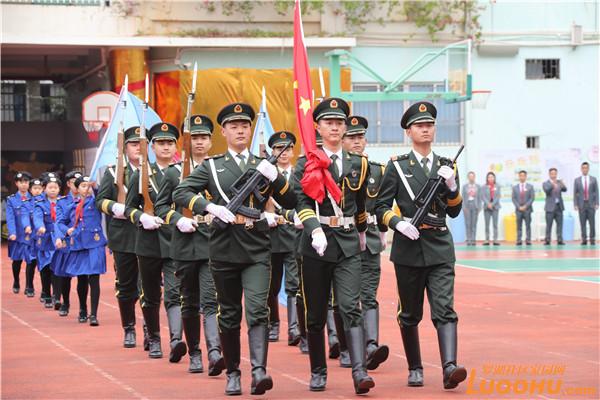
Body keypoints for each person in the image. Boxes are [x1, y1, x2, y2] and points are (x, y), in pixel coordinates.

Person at [173, 103, 296, 396]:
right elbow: (182, 192)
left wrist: (276, 177)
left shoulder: (263, 164)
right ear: (224, 131)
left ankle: (259, 371)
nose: (240, 130)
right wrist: (209, 206)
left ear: (250, 130)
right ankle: (233, 373)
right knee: (228, 313)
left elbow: (291, 200)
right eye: (234, 126)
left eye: (244, 126)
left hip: (256, 247)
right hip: (224, 246)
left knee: (257, 309)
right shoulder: (212, 166)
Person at [375, 101, 467, 390]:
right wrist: (397, 223)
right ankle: (415, 367)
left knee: (444, 309)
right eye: (419, 126)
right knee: (410, 313)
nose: (426, 129)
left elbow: (454, 211)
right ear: (409, 131)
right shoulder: (397, 166)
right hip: (409, 249)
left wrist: (452, 187)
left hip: (440, 246)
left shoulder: (447, 166)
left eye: (430, 125)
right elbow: (380, 207)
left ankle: (449, 367)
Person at [293, 98, 374, 394]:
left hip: (348, 243)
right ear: (318, 127)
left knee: (350, 306)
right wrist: (314, 229)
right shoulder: (306, 162)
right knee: (315, 312)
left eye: (340, 122)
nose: (335, 127)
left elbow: (360, 203)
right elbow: (301, 202)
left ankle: (360, 371)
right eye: (329, 122)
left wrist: (362, 232)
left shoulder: (358, 163)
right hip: (317, 244)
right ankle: (318, 371)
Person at [154, 114, 225, 375]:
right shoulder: (174, 172)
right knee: (189, 300)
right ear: (187, 141)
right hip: (184, 243)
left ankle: (215, 351)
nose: (199, 142)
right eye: (194, 137)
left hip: (212, 241)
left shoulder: (219, 169)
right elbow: (161, 207)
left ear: (211, 141)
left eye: (204, 137)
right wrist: (177, 220)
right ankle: (195, 352)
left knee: (211, 299)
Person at [124, 122, 185, 362]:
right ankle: (155, 338)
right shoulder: (141, 174)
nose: (166, 147)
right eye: (161, 143)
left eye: (170, 143)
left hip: (175, 240)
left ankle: (176, 340)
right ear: (152, 146)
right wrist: (142, 217)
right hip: (148, 241)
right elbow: (129, 208)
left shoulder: (183, 173)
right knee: (149, 295)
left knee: (174, 293)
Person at [341, 115, 389, 371]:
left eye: (360, 137)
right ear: (342, 140)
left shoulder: (378, 170)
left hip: (369, 239)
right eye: (351, 137)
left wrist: (383, 232)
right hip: (344, 239)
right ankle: (346, 346)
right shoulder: (336, 169)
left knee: (369, 295)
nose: (357, 142)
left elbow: (382, 205)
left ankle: (371, 345)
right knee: (346, 299)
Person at [96, 126, 142, 348]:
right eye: (133, 144)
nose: (138, 148)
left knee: (149, 286)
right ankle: (129, 327)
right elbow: (101, 201)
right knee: (126, 285)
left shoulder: (154, 172)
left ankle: (150, 330)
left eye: (141, 144)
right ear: (124, 148)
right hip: (124, 237)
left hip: (148, 236)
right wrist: (117, 208)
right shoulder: (114, 172)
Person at [264, 131, 301, 346]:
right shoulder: (266, 175)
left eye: (287, 149)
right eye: (279, 149)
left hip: (294, 235)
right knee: (272, 284)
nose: (283, 153)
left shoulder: (298, 174)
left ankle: (294, 328)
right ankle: (273, 324)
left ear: (292, 151)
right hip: (272, 237)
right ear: (273, 151)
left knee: (294, 284)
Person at [56, 176, 107, 326]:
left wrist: (95, 186)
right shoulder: (72, 206)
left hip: (95, 244)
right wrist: (67, 230)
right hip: (79, 244)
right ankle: (83, 309)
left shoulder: (96, 201)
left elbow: (101, 195)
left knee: (94, 278)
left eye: (87, 185)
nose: (86, 188)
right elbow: (61, 222)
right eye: (83, 186)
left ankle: (94, 314)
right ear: (77, 189)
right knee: (82, 279)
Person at [52, 170, 82, 317]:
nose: (77, 186)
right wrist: (61, 236)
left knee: (84, 276)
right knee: (65, 275)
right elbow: (59, 222)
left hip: (82, 242)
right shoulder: (62, 202)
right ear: (69, 184)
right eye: (74, 183)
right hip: (67, 241)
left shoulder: (88, 199)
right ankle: (66, 302)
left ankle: (84, 309)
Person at [32, 174, 62, 308]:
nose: (53, 190)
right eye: (50, 187)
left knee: (57, 268)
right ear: (44, 189)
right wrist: (40, 227)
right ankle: (47, 293)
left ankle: (57, 296)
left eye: (55, 187)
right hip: (45, 239)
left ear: (59, 189)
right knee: (45, 268)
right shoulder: (40, 204)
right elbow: (37, 218)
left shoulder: (63, 203)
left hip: (59, 239)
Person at [6, 171, 35, 295]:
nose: (24, 184)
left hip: (31, 236)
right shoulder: (11, 200)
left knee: (31, 261)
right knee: (17, 261)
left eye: (26, 182)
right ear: (16, 183)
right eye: (21, 182)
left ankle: (29, 286)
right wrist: (12, 232)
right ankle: (16, 281)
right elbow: (10, 218)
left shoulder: (34, 199)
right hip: (17, 235)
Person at [21, 177, 44, 297]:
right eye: (35, 188)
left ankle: (45, 289)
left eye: (39, 188)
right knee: (31, 262)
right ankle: (29, 286)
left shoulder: (46, 202)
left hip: (43, 238)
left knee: (45, 264)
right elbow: (24, 216)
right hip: (31, 237)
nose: (37, 190)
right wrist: (27, 226)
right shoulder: (26, 203)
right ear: (30, 190)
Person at [573, 162, 598, 245]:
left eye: (586, 168)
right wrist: (575, 204)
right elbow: (575, 193)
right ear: (581, 169)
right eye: (583, 168)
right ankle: (584, 239)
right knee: (582, 223)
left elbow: (596, 192)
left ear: (588, 169)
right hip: (581, 204)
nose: (585, 169)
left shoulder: (593, 179)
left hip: (591, 204)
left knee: (592, 223)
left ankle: (592, 239)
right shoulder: (577, 180)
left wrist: (597, 203)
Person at [543, 168, 567, 245]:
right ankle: (547, 240)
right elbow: (546, 190)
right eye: (552, 174)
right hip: (550, 207)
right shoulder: (546, 183)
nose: (554, 175)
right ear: (549, 174)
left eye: (555, 173)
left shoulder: (559, 182)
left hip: (559, 207)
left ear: (556, 174)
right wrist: (552, 184)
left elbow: (565, 189)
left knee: (559, 225)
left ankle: (560, 240)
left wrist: (562, 184)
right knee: (549, 225)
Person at [512, 170, 534, 245]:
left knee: (528, 225)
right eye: (520, 176)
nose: (522, 177)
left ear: (526, 177)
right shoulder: (515, 187)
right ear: (519, 177)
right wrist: (519, 207)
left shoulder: (530, 187)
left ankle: (528, 240)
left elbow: (532, 198)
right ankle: (519, 240)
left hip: (527, 209)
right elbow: (513, 198)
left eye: (523, 176)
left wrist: (525, 206)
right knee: (519, 226)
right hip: (518, 210)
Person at [461, 172, 481, 246]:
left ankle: (473, 240)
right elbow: (462, 197)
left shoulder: (478, 186)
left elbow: (480, 197)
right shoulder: (464, 186)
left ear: (474, 177)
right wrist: (463, 207)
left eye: (472, 176)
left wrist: (479, 207)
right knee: (468, 224)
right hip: (467, 206)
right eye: (470, 176)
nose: (471, 178)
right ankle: (469, 240)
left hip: (475, 206)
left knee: (474, 224)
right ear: (468, 177)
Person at [481, 172, 501, 245]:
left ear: (494, 178)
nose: (490, 178)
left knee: (495, 224)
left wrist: (492, 204)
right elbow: (483, 196)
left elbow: (498, 196)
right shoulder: (484, 186)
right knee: (487, 224)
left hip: (495, 207)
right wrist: (488, 204)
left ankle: (495, 240)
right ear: (487, 178)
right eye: (489, 177)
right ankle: (487, 239)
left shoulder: (497, 186)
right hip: (487, 208)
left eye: (492, 177)